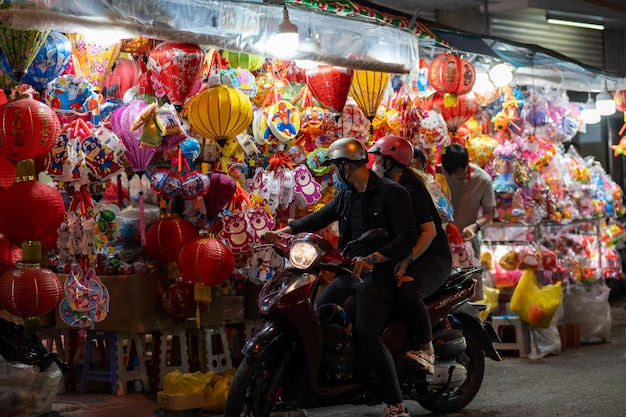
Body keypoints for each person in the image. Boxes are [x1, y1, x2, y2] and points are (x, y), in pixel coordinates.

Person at [265, 137, 418, 417]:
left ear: (345, 166)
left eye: (336, 168)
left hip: (378, 277)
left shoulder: (392, 193)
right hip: (348, 273)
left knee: (366, 331)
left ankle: (395, 403)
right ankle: (296, 399)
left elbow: (407, 237)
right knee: (313, 319)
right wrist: (286, 230)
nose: (336, 174)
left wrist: (374, 259)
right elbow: (321, 217)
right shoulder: (347, 196)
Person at [369, 135, 452, 375]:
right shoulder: (385, 187)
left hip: (432, 256)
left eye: (378, 159)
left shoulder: (410, 188)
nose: (374, 164)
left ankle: (427, 349)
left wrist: (407, 259)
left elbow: (429, 233)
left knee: (407, 289)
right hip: (406, 254)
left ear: (390, 162)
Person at [440, 144, 496, 298]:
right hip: (443, 239)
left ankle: (474, 318)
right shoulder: (439, 172)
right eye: (449, 172)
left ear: (466, 163)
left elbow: (488, 213)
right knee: (444, 288)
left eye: (458, 172)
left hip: (468, 239)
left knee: (472, 287)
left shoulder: (482, 179)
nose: (453, 176)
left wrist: (475, 226)